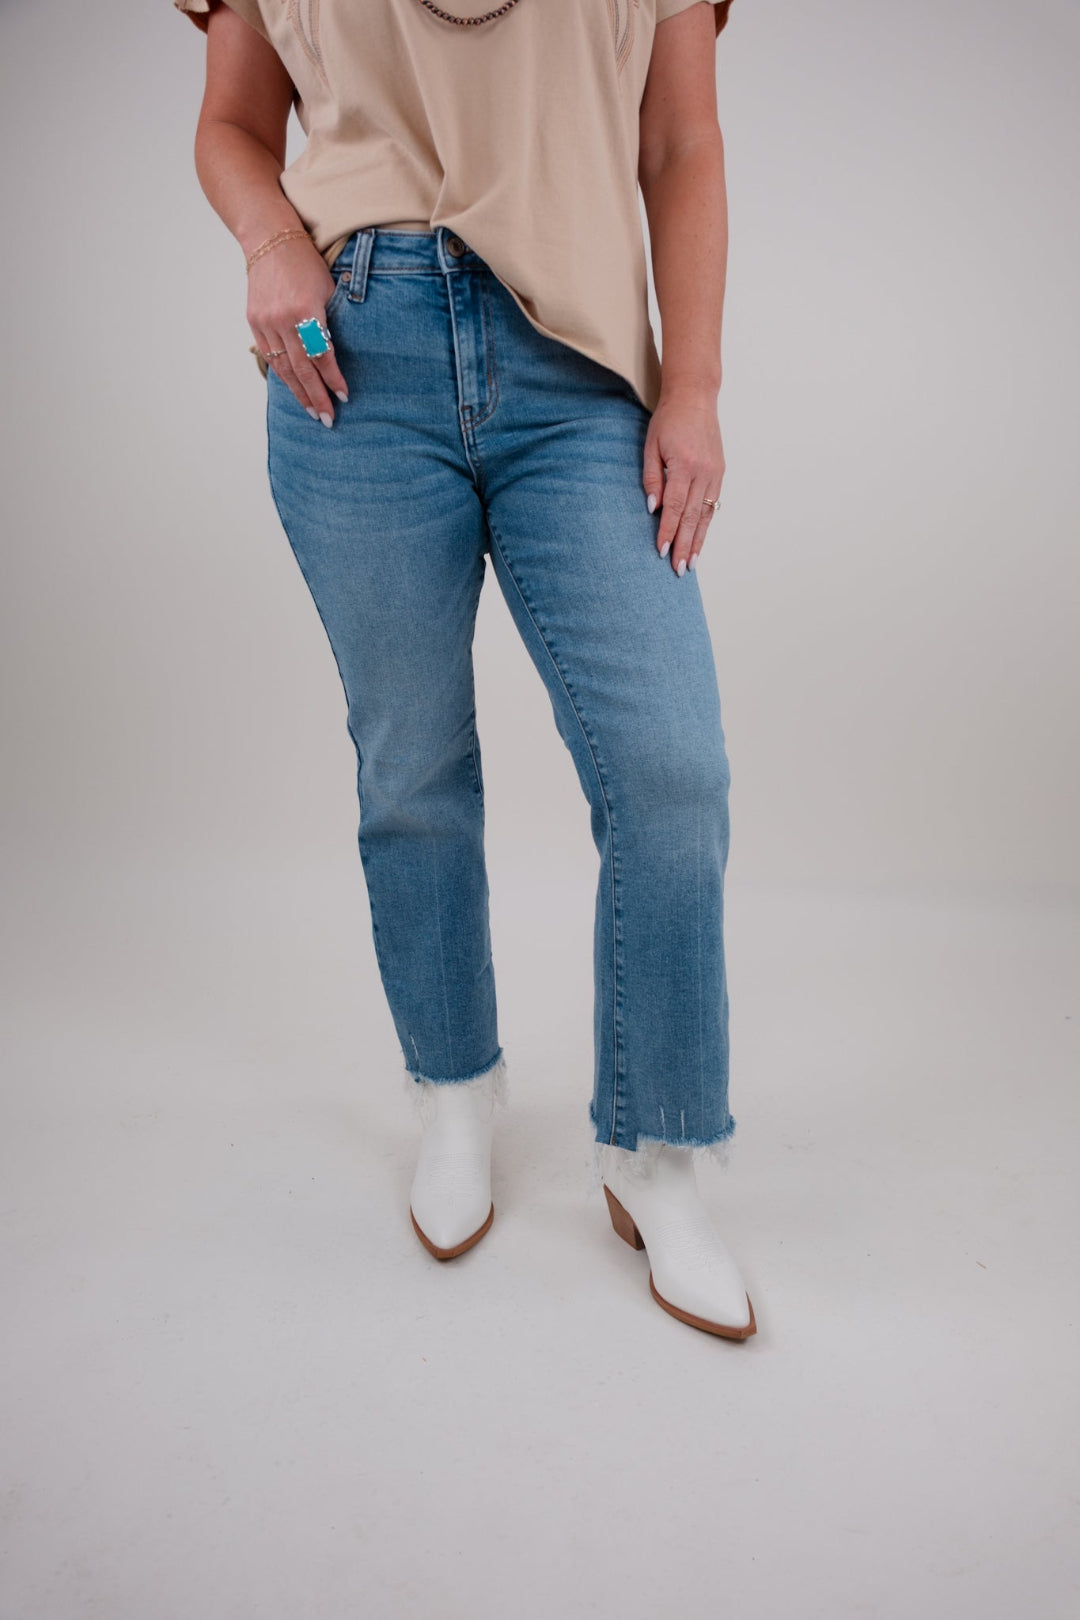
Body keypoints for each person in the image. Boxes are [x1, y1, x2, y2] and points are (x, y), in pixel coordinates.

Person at [173, 0, 756, 1340]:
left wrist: (699, 386)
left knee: (672, 768)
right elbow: (230, 126)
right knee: (411, 759)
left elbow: (679, 140)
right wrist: (271, 241)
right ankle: (453, 1090)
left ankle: (656, 1152)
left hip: (581, 373)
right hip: (353, 363)